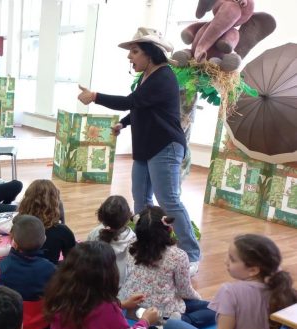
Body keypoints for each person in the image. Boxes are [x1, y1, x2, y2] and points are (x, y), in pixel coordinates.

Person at [77, 27, 201, 274]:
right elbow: (140, 107)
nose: (129, 56)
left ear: (150, 53)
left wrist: (95, 96)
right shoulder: (148, 76)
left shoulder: (164, 77)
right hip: (147, 146)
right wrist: (123, 123)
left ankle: (192, 255)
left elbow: (130, 101)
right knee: (141, 200)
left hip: (165, 145)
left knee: (169, 200)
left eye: (134, 51)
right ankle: (148, 245)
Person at [164, 234, 297, 329]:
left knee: (172, 325)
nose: (226, 261)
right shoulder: (281, 290)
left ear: (253, 270)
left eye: (232, 259)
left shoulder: (229, 292)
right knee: (209, 309)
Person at [45, 241, 168, 329]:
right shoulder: (106, 309)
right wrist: (145, 320)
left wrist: (122, 304)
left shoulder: (58, 291)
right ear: (107, 274)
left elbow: (84, 310)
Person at [118, 206, 213, 329]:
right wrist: (198, 299)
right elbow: (184, 291)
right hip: (159, 315)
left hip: (130, 307)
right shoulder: (178, 255)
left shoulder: (131, 246)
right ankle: (174, 324)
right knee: (215, 308)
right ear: (169, 229)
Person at [0, 215, 56, 329]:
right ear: (44, 239)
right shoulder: (49, 268)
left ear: (14, 243)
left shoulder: (5, 265)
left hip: (13, 326)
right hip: (42, 328)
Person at [17, 179, 75, 264]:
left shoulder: (18, 225)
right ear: (55, 203)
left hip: (20, 268)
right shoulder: (62, 231)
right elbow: (73, 262)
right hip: (49, 270)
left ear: (26, 201)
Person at [87, 195, 136, 286]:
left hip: (96, 283)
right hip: (122, 286)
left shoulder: (94, 233)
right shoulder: (134, 239)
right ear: (128, 218)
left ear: (101, 217)